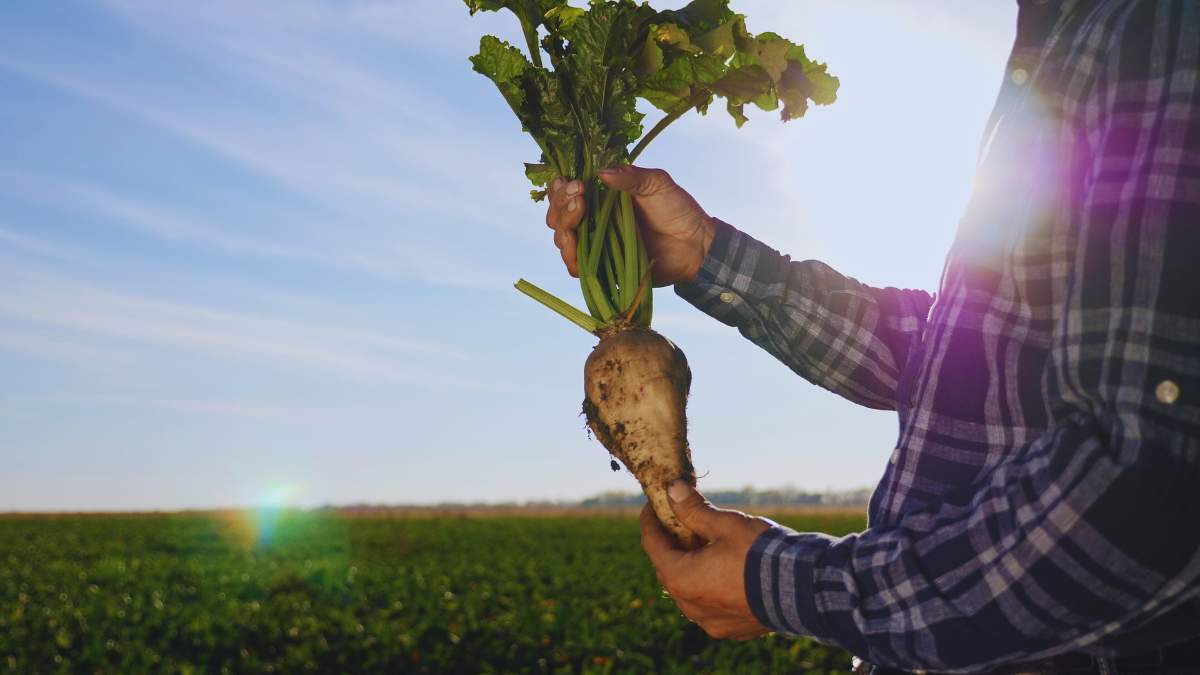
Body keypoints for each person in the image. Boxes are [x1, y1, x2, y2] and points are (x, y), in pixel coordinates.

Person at [544, 1, 1199, 673]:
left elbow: (1146, 491)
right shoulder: (1068, 34)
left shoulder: (1157, 30)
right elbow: (970, 356)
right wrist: (703, 253)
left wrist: (787, 587)